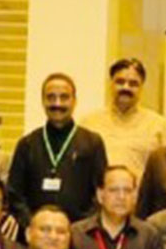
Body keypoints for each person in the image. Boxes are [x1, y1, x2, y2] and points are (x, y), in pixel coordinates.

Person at [7, 72, 110, 233]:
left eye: (64, 97)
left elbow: (100, 191)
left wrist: (81, 227)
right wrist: (32, 224)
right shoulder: (27, 144)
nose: (57, 103)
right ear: (43, 101)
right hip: (34, 236)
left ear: (74, 101)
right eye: (51, 97)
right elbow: (15, 195)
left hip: (80, 234)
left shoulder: (92, 142)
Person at [81, 57, 166, 180]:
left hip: (141, 198)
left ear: (141, 88)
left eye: (133, 84)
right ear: (110, 84)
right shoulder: (89, 122)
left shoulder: (159, 125)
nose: (126, 88)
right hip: (99, 197)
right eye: (120, 82)